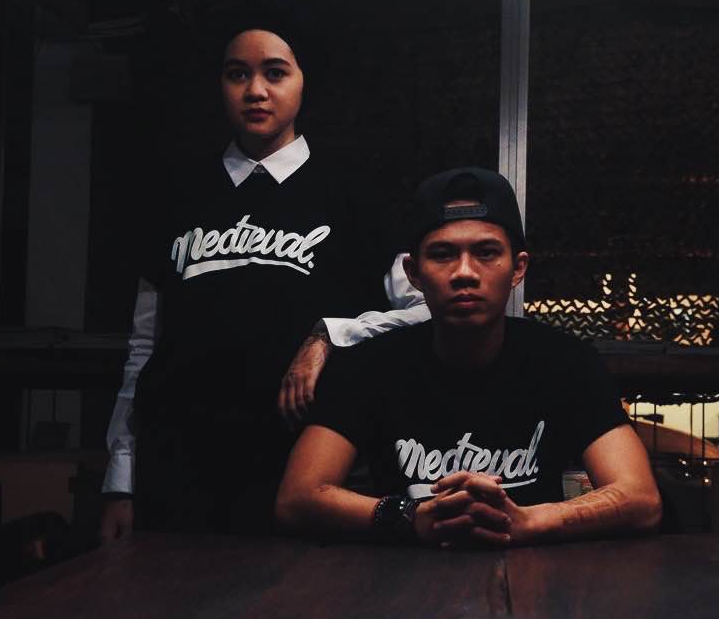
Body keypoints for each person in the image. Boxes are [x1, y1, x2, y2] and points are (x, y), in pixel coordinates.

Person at [99, 19, 429, 540]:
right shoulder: (177, 194)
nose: (255, 90)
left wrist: (332, 335)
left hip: (301, 478)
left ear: (304, 80)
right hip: (179, 474)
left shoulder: (354, 196)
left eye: (275, 72)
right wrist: (121, 482)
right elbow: (144, 347)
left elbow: (425, 311)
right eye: (238, 74)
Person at [275, 168, 662, 546]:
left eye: (486, 253)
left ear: (518, 268)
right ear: (414, 272)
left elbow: (641, 499)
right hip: (399, 579)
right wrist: (410, 517)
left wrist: (531, 520)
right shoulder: (369, 366)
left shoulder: (567, 362)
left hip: (534, 576)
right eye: (442, 254)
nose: (464, 272)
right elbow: (298, 497)